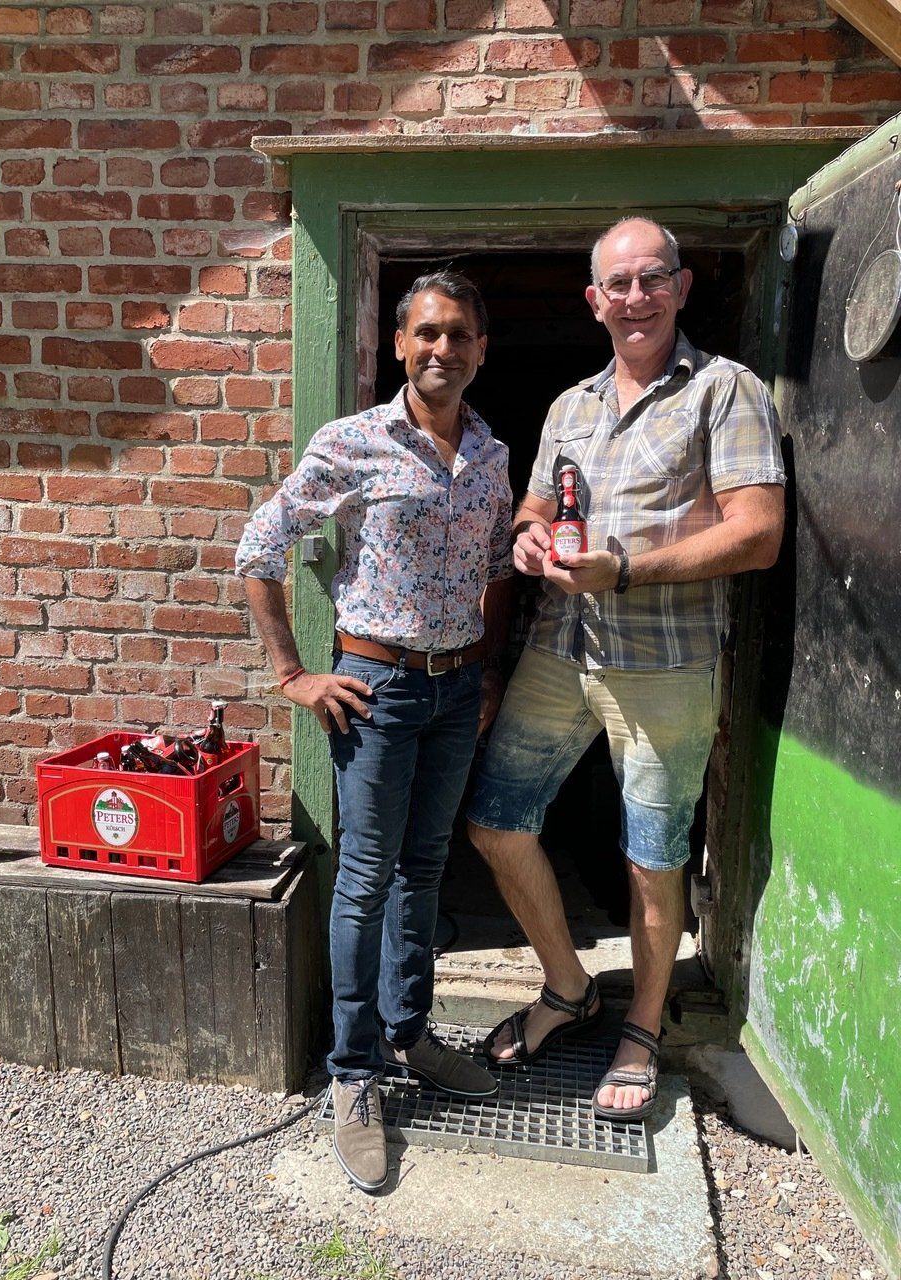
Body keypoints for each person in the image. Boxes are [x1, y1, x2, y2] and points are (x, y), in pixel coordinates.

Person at [467, 217, 786, 1123]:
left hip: (665, 663)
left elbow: (759, 532)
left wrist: (629, 568)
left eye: (653, 279)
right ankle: (569, 988)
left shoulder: (725, 390)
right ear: (594, 300)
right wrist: (529, 540)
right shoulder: (569, 405)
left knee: (652, 857)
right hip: (560, 648)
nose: (636, 297)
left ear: (681, 288)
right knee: (495, 821)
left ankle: (642, 1029)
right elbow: (534, 504)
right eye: (619, 283)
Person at [236, 271, 513, 1190]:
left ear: (481, 349)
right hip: (376, 690)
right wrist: (293, 675)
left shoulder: (491, 454)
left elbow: (497, 569)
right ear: (400, 344)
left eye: (460, 334)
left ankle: (410, 1034)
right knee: (363, 879)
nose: (443, 349)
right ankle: (354, 1074)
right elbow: (259, 547)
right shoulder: (351, 443)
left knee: (424, 869)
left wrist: (487, 669)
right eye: (427, 332)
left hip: (455, 690)